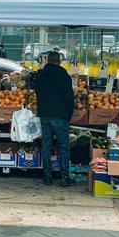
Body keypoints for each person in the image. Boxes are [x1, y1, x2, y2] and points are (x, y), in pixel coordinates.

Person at [35, 51, 74, 187]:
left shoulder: (41, 74)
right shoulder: (63, 75)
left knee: (46, 146)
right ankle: (64, 177)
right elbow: (69, 98)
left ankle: (47, 176)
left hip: (44, 115)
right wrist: (68, 115)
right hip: (60, 115)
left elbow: (37, 92)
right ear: (59, 62)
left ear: (47, 61)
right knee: (64, 147)